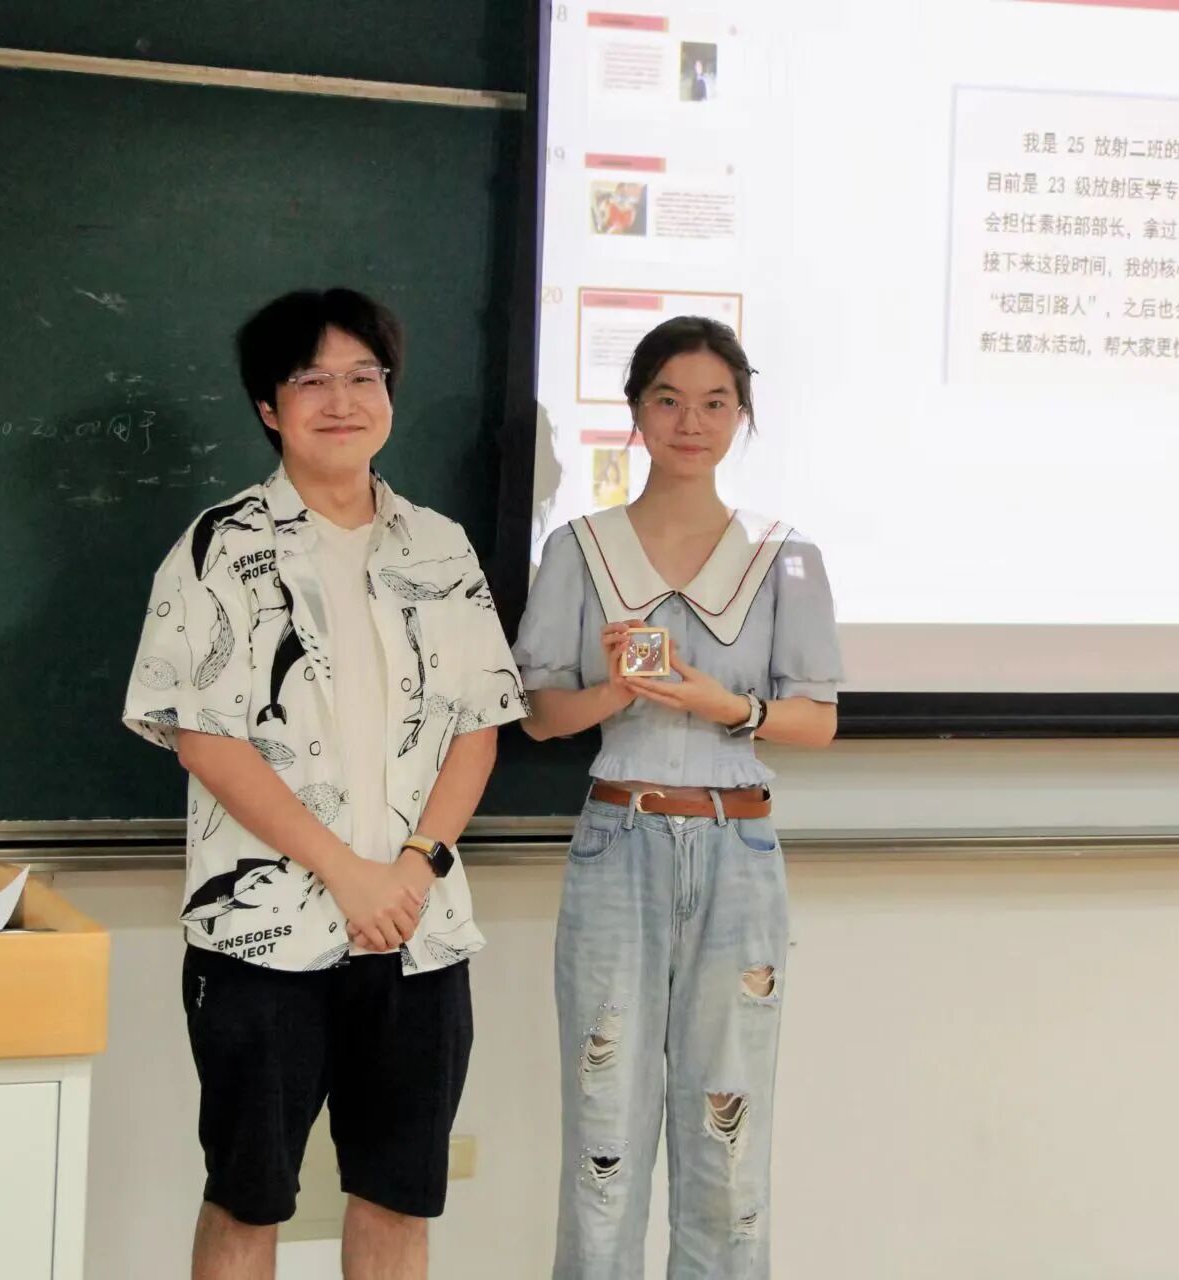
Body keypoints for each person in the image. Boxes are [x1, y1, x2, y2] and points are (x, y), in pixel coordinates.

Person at [121, 287, 525, 1280]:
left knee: (399, 1196)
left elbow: (479, 725)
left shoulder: (440, 544)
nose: (342, 400)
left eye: (363, 376)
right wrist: (349, 874)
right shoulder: (219, 545)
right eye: (312, 380)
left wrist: (413, 868)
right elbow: (206, 742)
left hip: (418, 931)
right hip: (263, 936)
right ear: (270, 406)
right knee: (248, 1196)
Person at [513, 316, 842, 1277]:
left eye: (714, 403)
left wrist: (725, 704)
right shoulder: (580, 549)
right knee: (603, 1126)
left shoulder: (784, 554)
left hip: (738, 848)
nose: (691, 423)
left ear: (741, 415)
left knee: (729, 1126)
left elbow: (817, 720)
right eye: (668, 399)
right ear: (635, 410)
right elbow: (540, 717)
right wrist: (614, 693)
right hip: (618, 838)